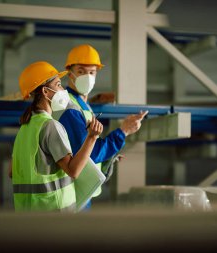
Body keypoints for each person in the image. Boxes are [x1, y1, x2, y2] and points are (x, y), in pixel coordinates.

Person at [53, 44, 148, 209]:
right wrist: (124, 130)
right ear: (69, 72)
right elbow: (92, 153)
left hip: (80, 192)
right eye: (81, 71)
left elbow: (84, 149)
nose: (87, 77)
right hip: (71, 195)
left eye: (92, 72)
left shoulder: (82, 105)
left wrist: (109, 158)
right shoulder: (69, 107)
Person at [11, 61, 103, 212]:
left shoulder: (24, 128)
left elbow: (11, 172)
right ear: (46, 92)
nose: (63, 89)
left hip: (27, 214)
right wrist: (92, 137)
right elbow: (73, 171)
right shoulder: (50, 126)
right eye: (58, 84)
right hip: (54, 213)